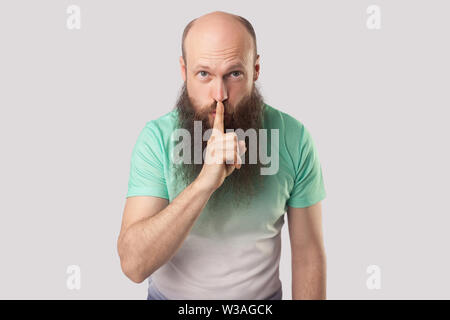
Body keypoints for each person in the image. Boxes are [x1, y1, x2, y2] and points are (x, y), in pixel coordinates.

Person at [117, 10, 327, 300]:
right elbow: (133, 265)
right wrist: (204, 183)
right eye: (204, 74)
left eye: (234, 74)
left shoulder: (294, 137)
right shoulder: (156, 139)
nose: (219, 94)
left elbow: (307, 256)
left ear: (255, 70)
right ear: (184, 71)